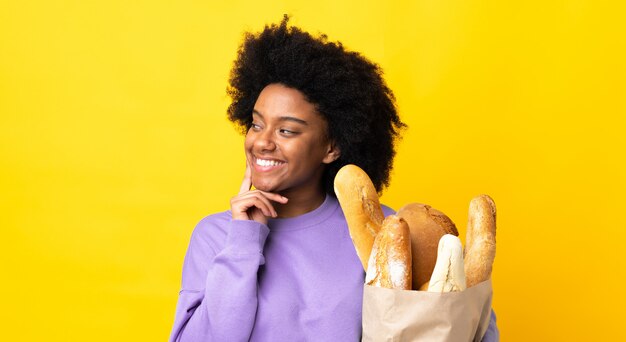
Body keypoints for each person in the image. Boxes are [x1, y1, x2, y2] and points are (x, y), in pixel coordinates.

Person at [169, 15, 499, 341]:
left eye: (286, 130)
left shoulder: (384, 232)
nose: (262, 142)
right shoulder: (216, 235)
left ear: (332, 147)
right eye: (256, 124)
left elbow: (466, 323)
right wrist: (244, 241)